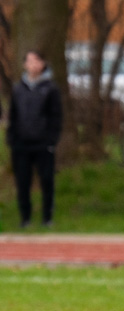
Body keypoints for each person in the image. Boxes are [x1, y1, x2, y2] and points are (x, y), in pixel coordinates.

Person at [7, 51, 62, 229]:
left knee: (47, 180)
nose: (33, 65)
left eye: (37, 61)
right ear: (24, 65)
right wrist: (12, 138)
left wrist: (51, 140)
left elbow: (56, 117)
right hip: (21, 144)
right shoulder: (18, 89)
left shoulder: (51, 89)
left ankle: (47, 218)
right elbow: (13, 116)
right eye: (29, 61)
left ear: (43, 64)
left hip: (43, 143)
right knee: (23, 181)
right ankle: (25, 218)